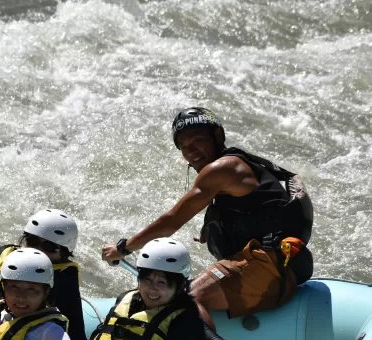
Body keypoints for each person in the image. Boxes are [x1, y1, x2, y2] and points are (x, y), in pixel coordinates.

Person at [101, 107, 313, 322]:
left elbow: (171, 221)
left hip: (274, 267)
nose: (191, 152)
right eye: (184, 147)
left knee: (185, 300)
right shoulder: (237, 166)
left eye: (197, 141)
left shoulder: (223, 168)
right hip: (279, 262)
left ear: (218, 136)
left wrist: (123, 248)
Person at [88, 239, 242, 340]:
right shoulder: (125, 298)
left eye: (161, 282)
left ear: (180, 286)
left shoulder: (181, 321)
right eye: (147, 279)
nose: (152, 288)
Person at [0, 208, 87, 340]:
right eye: (32, 241)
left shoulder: (63, 280)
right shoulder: (7, 256)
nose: (37, 250)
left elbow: (76, 335)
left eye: (49, 246)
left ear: (64, 253)